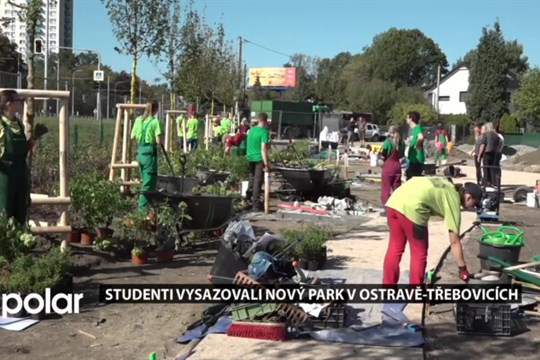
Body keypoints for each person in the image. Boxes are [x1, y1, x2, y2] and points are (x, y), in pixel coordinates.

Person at [383, 177, 482, 285]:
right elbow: (454, 242)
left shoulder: (447, 184)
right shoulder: (453, 200)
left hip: (394, 201)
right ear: (468, 197)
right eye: (475, 204)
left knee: (395, 248)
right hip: (413, 207)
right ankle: (416, 294)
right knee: (419, 252)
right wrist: (462, 269)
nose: (473, 207)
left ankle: (388, 290)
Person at [0, 90, 48, 224]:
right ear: (9, 104)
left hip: (20, 175)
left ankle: (19, 243)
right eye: (19, 101)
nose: (22, 103)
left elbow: (23, 151)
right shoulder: (1, 124)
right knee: (4, 212)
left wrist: (34, 138)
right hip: (5, 177)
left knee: (20, 211)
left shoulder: (19, 124)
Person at [130, 101, 162, 214]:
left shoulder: (139, 120)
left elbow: (131, 136)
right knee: (148, 184)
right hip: (149, 155)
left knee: (145, 181)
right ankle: (141, 212)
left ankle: (150, 210)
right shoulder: (154, 122)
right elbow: (158, 141)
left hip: (140, 153)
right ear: (156, 110)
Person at [245, 112, 270, 211]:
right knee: (257, 181)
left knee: (251, 178)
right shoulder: (264, 132)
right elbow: (263, 149)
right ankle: (255, 204)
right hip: (259, 158)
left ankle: (248, 199)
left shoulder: (251, 130)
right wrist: (266, 163)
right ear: (264, 121)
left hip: (250, 157)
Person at [380, 125, 405, 210]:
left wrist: (381, 162)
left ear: (391, 132)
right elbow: (402, 155)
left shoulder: (387, 142)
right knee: (397, 188)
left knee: (385, 188)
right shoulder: (402, 143)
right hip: (397, 166)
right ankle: (397, 207)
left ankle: (387, 208)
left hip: (388, 166)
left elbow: (383, 155)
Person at [477, 122, 500, 187]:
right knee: (492, 169)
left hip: (486, 153)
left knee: (485, 169)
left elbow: (482, 145)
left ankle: (487, 183)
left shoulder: (485, 135)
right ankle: (493, 183)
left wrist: (479, 155)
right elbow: (498, 146)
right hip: (493, 154)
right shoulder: (496, 136)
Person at [405, 111, 424, 180]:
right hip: (412, 160)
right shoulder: (412, 130)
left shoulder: (417, 128)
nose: (406, 119)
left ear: (411, 119)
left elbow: (421, 137)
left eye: (407, 117)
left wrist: (417, 145)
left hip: (416, 160)